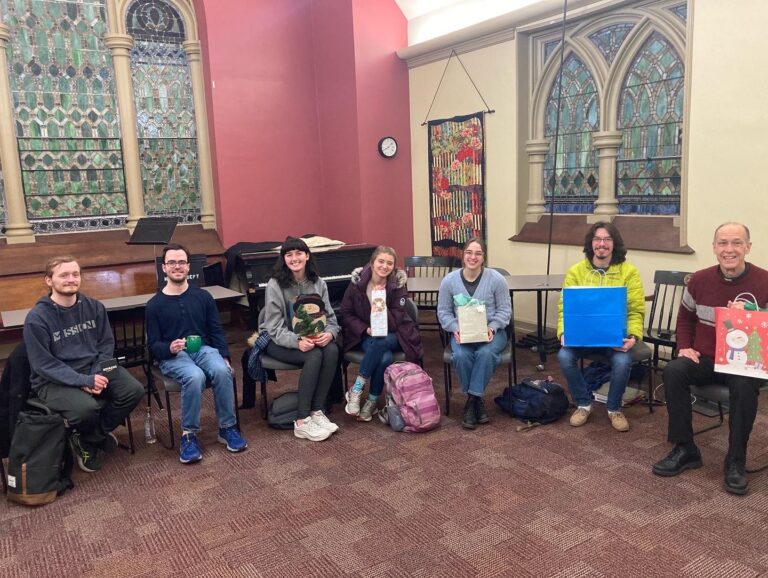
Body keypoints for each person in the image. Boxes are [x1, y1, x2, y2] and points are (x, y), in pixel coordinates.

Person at [652, 222, 768, 495]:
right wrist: (683, 346)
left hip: (743, 361)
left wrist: (752, 312)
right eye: (723, 243)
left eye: (737, 243)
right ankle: (685, 448)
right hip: (705, 356)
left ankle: (735, 459)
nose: (729, 249)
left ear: (748, 247)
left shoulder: (764, 281)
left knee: (743, 384)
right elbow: (685, 319)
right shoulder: (699, 280)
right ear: (714, 248)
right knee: (674, 371)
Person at [23, 256, 144, 473]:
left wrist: (97, 374)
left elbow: (106, 345)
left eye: (75, 274)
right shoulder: (37, 319)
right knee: (86, 408)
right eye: (64, 275)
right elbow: (44, 365)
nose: (71, 279)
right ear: (48, 280)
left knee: (133, 390)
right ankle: (93, 435)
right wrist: (83, 381)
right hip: (51, 380)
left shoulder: (94, 307)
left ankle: (86, 437)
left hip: (94, 368)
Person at [146, 244, 247, 464]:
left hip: (202, 348)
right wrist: (169, 348)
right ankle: (189, 435)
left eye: (181, 262)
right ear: (164, 268)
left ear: (188, 266)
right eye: (171, 262)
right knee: (195, 376)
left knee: (222, 371)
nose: (177, 266)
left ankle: (227, 428)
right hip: (174, 355)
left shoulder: (203, 297)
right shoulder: (154, 305)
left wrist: (225, 356)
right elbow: (154, 344)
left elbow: (216, 330)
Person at [557, 222, 645, 432]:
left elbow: (635, 310)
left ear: (614, 244)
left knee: (623, 362)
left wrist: (633, 336)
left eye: (607, 239)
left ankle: (614, 408)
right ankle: (583, 403)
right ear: (591, 243)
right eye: (597, 239)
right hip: (583, 337)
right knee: (563, 356)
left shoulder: (629, 272)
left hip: (614, 338)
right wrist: (563, 332)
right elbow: (565, 307)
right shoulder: (576, 271)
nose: (602, 244)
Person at [258, 236, 340, 441]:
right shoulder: (275, 284)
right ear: (283, 258)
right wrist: (296, 341)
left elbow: (331, 318)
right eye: (289, 254)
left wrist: (329, 333)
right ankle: (302, 420)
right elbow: (274, 328)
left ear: (307, 256)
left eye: (298, 253)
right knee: (314, 355)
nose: (294, 258)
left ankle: (317, 411)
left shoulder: (318, 283)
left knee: (331, 350)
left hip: (312, 338)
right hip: (278, 340)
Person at [341, 246, 423, 421]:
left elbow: (397, 321)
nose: (384, 266)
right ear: (372, 263)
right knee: (384, 357)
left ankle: (357, 388)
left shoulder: (397, 285)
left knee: (382, 340)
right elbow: (346, 313)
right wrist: (366, 329)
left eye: (389, 263)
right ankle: (371, 401)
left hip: (395, 333)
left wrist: (381, 305)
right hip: (366, 333)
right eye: (381, 261)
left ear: (393, 267)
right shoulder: (357, 284)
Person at [437, 237, 511, 429]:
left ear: (484, 257)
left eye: (478, 253)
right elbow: (443, 312)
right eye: (469, 252)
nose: (473, 257)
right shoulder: (449, 281)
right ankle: (477, 401)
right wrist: (455, 328)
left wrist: (492, 327)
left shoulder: (497, 279)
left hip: (492, 333)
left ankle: (471, 401)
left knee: (485, 353)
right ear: (463, 255)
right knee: (461, 355)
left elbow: (505, 310)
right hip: (462, 332)